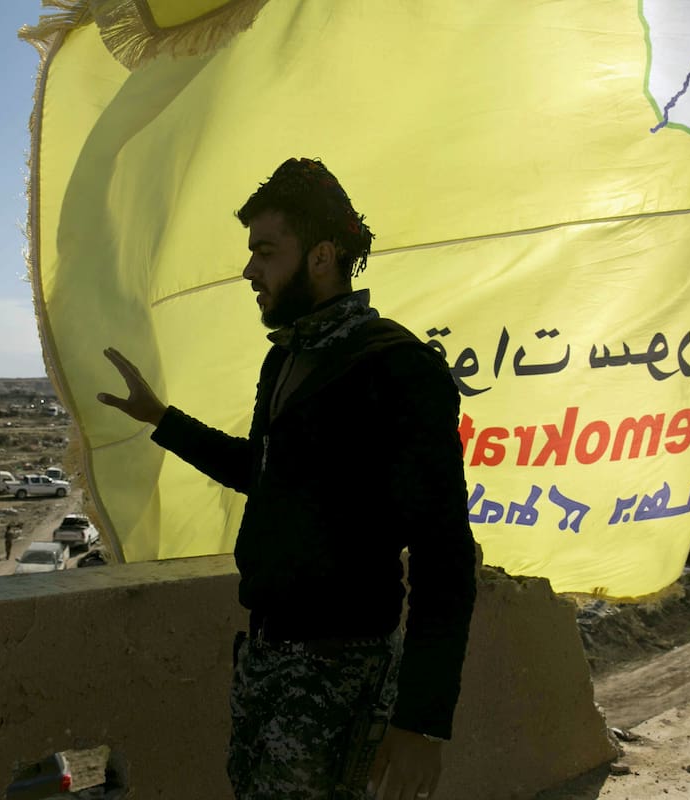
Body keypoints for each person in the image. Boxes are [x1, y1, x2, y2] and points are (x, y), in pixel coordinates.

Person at [98, 157, 476, 799]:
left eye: (265, 252)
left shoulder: (395, 368)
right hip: (268, 661)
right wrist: (163, 419)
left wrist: (421, 722)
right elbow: (265, 474)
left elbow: (445, 555)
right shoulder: (288, 359)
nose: (250, 271)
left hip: (340, 673)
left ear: (322, 256)